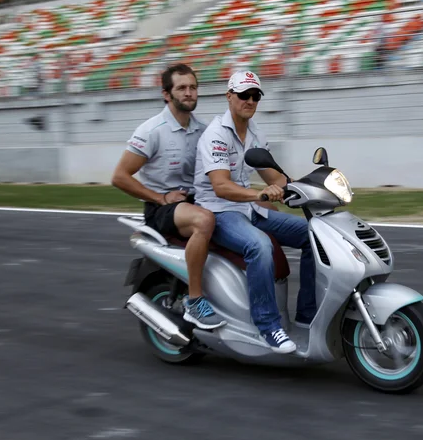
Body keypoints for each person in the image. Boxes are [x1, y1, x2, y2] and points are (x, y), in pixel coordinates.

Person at [193, 70, 317, 354]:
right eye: (243, 95)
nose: (250, 100)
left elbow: (276, 177)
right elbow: (221, 186)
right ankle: (268, 327)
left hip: (248, 208)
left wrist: (308, 188)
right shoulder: (216, 135)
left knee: (314, 234)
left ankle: (307, 316)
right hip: (219, 211)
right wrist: (259, 194)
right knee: (259, 246)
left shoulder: (256, 132)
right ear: (229, 96)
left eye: (255, 96)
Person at [111, 63, 226, 330]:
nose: (189, 93)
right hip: (162, 208)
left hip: (196, 200)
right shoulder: (151, 131)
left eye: (193, 87)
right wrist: (160, 198)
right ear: (167, 94)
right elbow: (120, 177)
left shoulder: (204, 130)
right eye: (182, 88)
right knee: (204, 221)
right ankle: (196, 301)